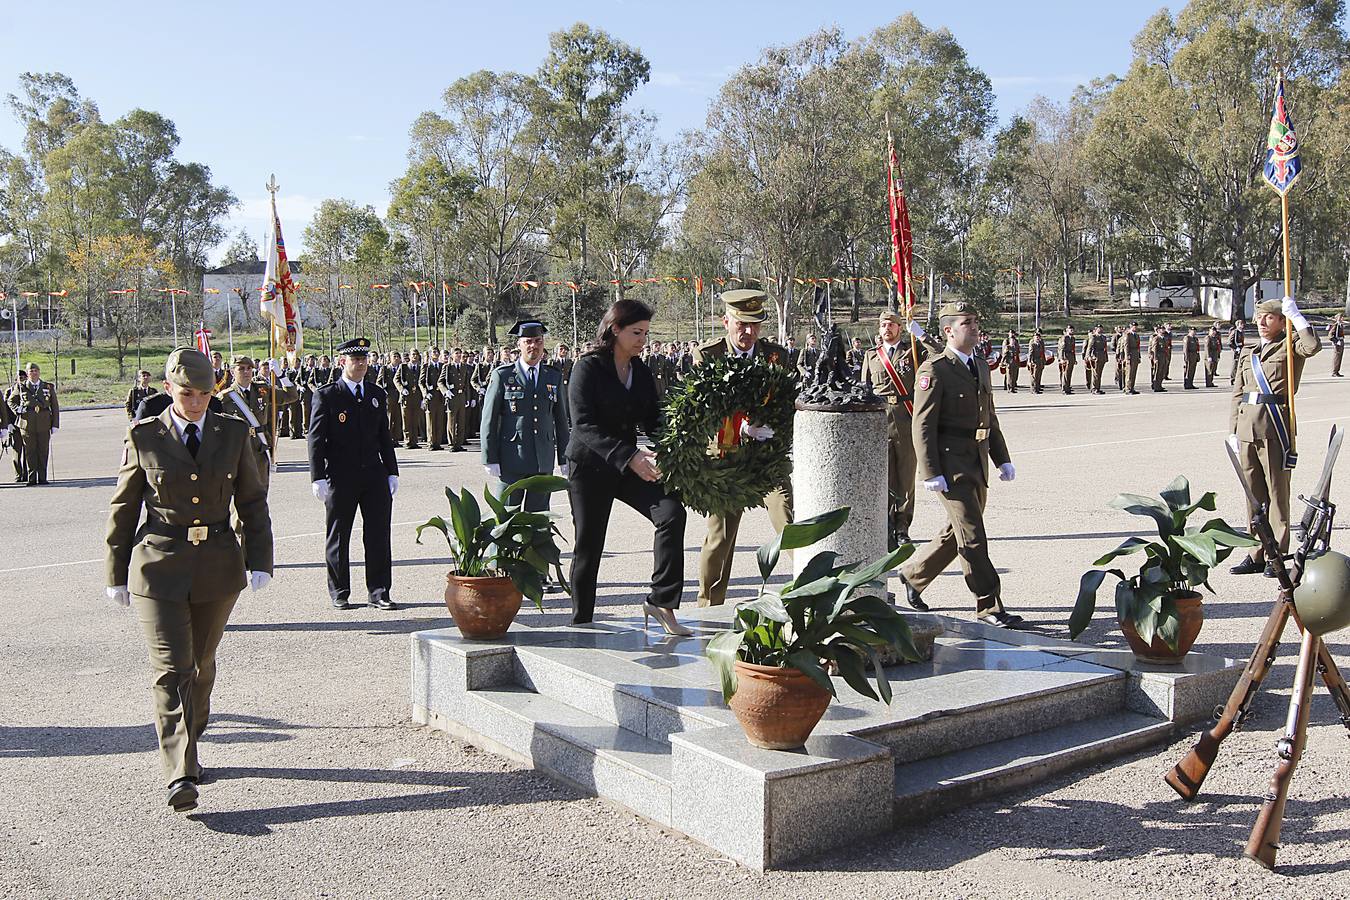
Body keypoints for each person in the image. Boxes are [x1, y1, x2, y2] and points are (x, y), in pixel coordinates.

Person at [104, 347, 273, 813]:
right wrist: (115, 570)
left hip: (218, 564)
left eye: (204, 393)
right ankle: (180, 770)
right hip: (158, 564)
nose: (196, 401)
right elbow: (124, 506)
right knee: (172, 669)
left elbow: (252, 501)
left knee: (201, 664)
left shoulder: (233, 433)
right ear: (167, 390)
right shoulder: (145, 435)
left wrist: (260, 558)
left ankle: (192, 739)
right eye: (186, 393)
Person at [897, 301, 1024, 628]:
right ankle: (989, 606)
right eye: (967, 322)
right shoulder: (934, 369)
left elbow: (989, 418)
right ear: (949, 331)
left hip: (976, 462)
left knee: (958, 532)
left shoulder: (980, 366)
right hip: (950, 467)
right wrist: (930, 472)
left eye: (976, 321)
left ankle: (913, 576)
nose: (975, 326)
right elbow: (921, 426)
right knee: (973, 535)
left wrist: (1002, 458)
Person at [566, 299, 689, 633]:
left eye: (646, 333)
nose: (642, 340)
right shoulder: (587, 367)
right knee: (589, 547)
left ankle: (661, 601)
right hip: (589, 468)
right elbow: (583, 426)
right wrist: (630, 456)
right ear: (615, 329)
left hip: (626, 468)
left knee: (671, 512)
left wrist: (674, 447)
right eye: (636, 332)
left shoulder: (643, 371)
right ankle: (581, 624)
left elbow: (654, 419)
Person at [692, 284, 793, 607]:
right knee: (720, 538)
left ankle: (811, 592)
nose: (748, 332)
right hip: (727, 458)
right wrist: (742, 426)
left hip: (766, 459)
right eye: (741, 324)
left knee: (788, 524)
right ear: (726, 322)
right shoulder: (708, 356)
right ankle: (708, 607)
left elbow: (784, 402)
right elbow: (706, 407)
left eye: (754, 325)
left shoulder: (776, 356)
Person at [1228, 297, 1321, 578]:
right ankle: (1256, 551)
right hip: (1247, 428)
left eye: (1269, 317)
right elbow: (1237, 392)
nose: (1262, 322)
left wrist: (1299, 318)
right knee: (1253, 495)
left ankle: (1276, 554)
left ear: (1282, 321)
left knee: (1277, 494)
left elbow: (1313, 346)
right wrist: (1233, 430)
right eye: (1260, 317)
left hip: (1274, 427)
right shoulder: (1249, 351)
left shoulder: (1290, 346)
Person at [309, 338, 399, 610]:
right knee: (339, 535)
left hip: (373, 474)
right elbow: (316, 439)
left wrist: (392, 471)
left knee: (378, 535)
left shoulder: (375, 393)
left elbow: (385, 435)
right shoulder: (327, 395)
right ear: (342, 363)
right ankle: (339, 591)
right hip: (340, 475)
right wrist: (317, 476)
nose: (360, 364)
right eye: (354, 360)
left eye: (363, 359)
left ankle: (379, 591)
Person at [861, 310, 940, 549]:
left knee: (906, 477)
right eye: (884, 324)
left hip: (907, 419)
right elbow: (864, 389)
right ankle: (884, 526)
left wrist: (921, 333)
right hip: (880, 421)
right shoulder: (871, 356)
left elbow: (939, 354)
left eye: (893, 325)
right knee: (883, 476)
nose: (888, 328)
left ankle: (902, 526)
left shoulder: (912, 352)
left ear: (899, 328)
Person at [481, 319, 570, 512]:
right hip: (512, 460)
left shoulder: (552, 375)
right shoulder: (503, 375)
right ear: (519, 345)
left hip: (542, 461)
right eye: (528, 341)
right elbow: (489, 419)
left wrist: (564, 457)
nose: (533, 346)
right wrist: (489, 457)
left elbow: (561, 420)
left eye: (538, 341)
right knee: (504, 520)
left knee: (539, 522)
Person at [9, 362, 58, 485]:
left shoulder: (48, 386)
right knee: (30, 451)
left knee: (43, 451)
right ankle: (31, 478)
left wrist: (55, 424)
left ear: (39, 372)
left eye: (36, 370)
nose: (34, 373)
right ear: (27, 373)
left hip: (44, 422)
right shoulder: (21, 387)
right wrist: (18, 409)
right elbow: (10, 401)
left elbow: (55, 407)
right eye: (31, 371)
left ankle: (42, 477)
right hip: (27, 424)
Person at [441, 347, 472, 451]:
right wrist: (446, 391)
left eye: (460, 353)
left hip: (461, 396)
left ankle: (459, 443)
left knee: (461, 421)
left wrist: (467, 397)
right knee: (452, 421)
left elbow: (466, 383)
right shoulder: (447, 367)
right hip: (452, 396)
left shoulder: (464, 367)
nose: (458, 355)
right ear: (452, 355)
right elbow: (440, 382)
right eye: (456, 353)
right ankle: (452, 444)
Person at [420, 346, 447, 450]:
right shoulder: (426, 366)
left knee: (439, 421)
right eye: (433, 352)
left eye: (437, 352)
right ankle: (431, 443)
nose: (435, 354)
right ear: (430, 354)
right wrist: (425, 393)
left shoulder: (442, 366)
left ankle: (438, 443)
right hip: (430, 397)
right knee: (430, 421)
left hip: (440, 396)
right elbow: (421, 382)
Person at [395, 348, 423, 448]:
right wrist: (402, 389)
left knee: (415, 420)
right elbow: (396, 379)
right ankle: (407, 441)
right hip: (406, 397)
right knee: (406, 420)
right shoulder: (403, 367)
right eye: (412, 354)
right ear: (409, 356)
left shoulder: (421, 368)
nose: (414, 356)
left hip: (417, 397)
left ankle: (414, 441)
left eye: (416, 354)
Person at [377, 350, 404, 445]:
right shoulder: (385, 369)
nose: (396, 359)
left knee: (398, 418)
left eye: (397, 357)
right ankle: (388, 439)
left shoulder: (401, 369)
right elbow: (379, 382)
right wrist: (383, 391)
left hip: (399, 395)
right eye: (394, 357)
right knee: (390, 418)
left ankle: (396, 439)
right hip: (389, 395)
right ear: (390, 358)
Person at [1027, 329, 1048, 394]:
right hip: (1035, 361)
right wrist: (1029, 361)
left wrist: (1044, 360)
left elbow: (1043, 351)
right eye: (1036, 336)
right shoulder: (1032, 343)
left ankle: (1037, 387)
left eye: (1039, 336)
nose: (1038, 337)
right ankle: (1033, 388)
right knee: (1034, 376)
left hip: (1040, 361)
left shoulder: (1040, 342)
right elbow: (1030, 353)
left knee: (1039, 375)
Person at [1057, 326, 1076, 395]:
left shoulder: (1073, 338)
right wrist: (1062, 358)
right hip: (1066, 357)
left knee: (1069, 374)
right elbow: (1062, 349)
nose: (1072, 331)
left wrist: (1074, 359)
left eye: (1072, 330)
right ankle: (1064, 389)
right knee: (1065, 373)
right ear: (1067, 330)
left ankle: (1068, 388)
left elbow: (1073, 350)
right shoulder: (1064, 338)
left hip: (1071, 357)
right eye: (1070, 330)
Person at [1123, 322, 1142, 394]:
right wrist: (1127, 357)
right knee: (1129, 373)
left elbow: (1138, 347)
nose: (1136, 328)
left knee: (1134, 373)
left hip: (1135, 355)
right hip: (1130, 354)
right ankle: (1127, 388)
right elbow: (1126, 346)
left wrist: (1139, 356)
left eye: (1136, 326)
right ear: (1131, 327)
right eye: (1134, 326)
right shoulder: (1127, 335)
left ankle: (1132, 387)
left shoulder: (1136, 335)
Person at [1148, 327, 1167, 392]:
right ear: (1158, 331)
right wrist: (1155, 358)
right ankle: (1156, 386)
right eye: (1162, 329)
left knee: (1162, 372)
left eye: (1164, 329)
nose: (1163, 331)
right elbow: (1154, 349)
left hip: (1163, 356)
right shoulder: (1156, 338)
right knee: (1157, 372)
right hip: (1158, 357)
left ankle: (1159, 385)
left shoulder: (1163, 338)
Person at [1228, 319, 1246, 385]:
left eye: (1242, 324)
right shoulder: (1235, 332)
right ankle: (1232, 379)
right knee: (1235, 365)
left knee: (1239, 364)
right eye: (1241, 324)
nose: (1242, 325)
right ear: (1237, 325)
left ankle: (1238, 379)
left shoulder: (1241, 332)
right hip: (1235, 351)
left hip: (1240, 349)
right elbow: (1229, 342)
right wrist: (1236, 348)